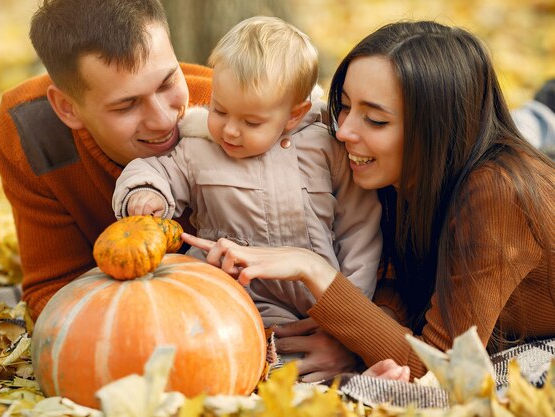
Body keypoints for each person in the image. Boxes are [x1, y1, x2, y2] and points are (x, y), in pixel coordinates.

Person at [183, 20, 555, 380]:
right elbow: (398, 283)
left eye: (375, 120)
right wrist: (360, 337)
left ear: (437, 131)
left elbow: (440, 369)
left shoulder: (497, 196)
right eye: (344, 106)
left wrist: (313, 268)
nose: (343, 131)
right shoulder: (394, 175)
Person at [112, 16, 382, 329]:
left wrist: (353, 311)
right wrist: (146, 191)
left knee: (321, 364)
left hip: (320, 299)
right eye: (220, 110)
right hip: (232, 294)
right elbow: (156, 169)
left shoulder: (325, 148)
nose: (229, 130)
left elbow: (359, 231)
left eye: (251, 123)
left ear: (293, 115)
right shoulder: (199, 149)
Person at [0, 0, 212, 322]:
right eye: (126, 105)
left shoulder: (236, 115)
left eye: (167, 83)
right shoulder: (30, 130)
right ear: (67, 108)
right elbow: (53, 288)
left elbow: (305, 259)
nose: (163, 120)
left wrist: (317, 321)